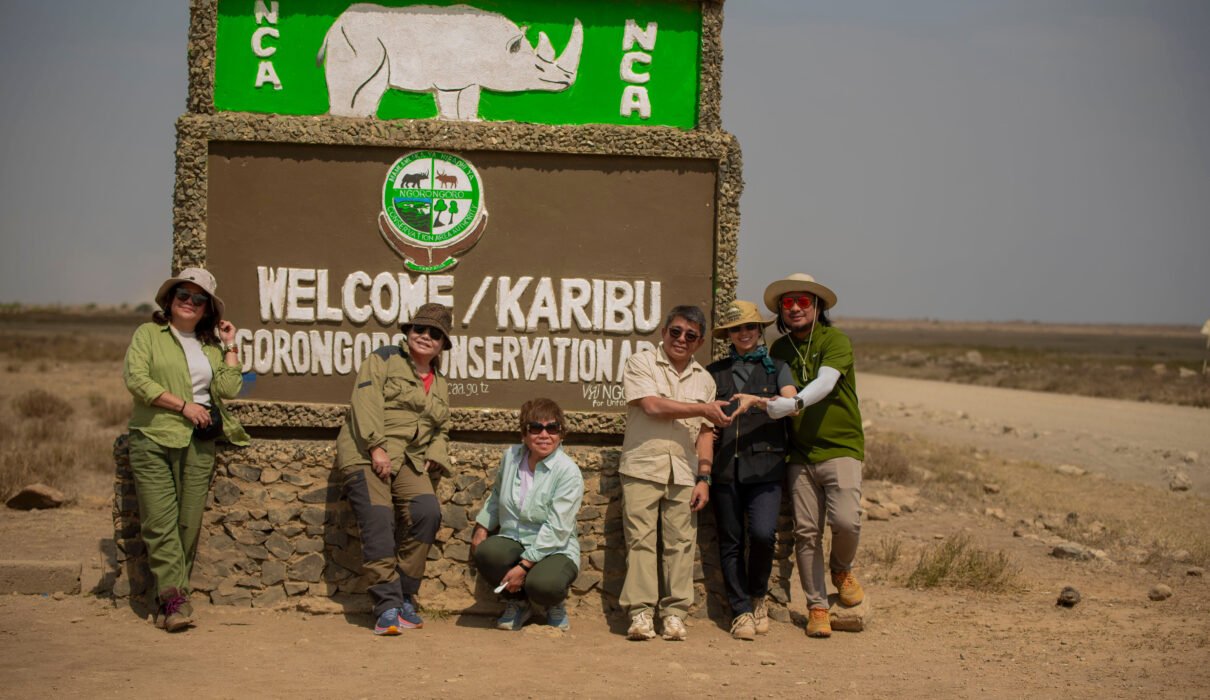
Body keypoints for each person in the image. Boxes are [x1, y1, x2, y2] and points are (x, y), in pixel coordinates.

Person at [123, 268, 249, 632]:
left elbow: (228, 389)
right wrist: (184, 406)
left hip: (199, 443)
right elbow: (137, 379)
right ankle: (176, 600)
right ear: (170, 299)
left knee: (187, 524)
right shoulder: (149, 335)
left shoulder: (210, 346)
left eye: (199, 299)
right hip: (154, 437)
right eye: (184, 295)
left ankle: (168, 600)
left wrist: (230, 346)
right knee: (160, 522)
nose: (190, 303)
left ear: (208, 308)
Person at [335, 302, 452, 635]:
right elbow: (365, 403)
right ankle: (385, 606)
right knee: (379, 517)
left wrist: (437, 451)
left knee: (427, 512)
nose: (425, 336)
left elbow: (443, 428)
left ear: (443, 343)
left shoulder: (440, 382)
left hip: (410, 460)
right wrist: (376, 446)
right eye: (420, 329)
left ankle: (403, 594)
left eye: (435, 333)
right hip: (365, 452)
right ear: (408, 332)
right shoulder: (383, 359)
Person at [762, 273, 866, 638]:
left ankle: (841, 567)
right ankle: (817, 606)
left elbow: (825, 381)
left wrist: (795, 402)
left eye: (802, 302)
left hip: (840, 447)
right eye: (787, 303)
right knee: (806, 532)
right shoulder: (779, 350)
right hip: (800, 454)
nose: (794, 308)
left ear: (817, 307)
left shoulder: (835, 340)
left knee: (847, 520)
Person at [619, 305, 731, 641]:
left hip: (684, 472)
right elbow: (652, 405)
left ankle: (674, 615)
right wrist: (702, 408)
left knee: (681, 544)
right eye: (676, 331)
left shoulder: (705, 381)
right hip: (643, 465)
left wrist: (705, 477)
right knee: (639, 541)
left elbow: (706, 433)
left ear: (699, 342)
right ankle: (640, 613)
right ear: (663, 332)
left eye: (690, 335)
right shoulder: (642, 363)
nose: (681, 339)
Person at [705, 300, 798, 640]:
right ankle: (741, 611)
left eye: (749, 327)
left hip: (767, 467)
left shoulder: (778, 368)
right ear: (728, 334)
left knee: (761, 535)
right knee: (730, 541)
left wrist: (757, 401)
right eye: (736, 328)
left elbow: (792, 407)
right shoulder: (714, 372)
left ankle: (758, 595)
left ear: (760, 331)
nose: (743, 333)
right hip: (725, 469)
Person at [471, 398, 584, 632]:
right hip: (515, 539)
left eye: (552, 428)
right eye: (536, 428)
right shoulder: (511, 457)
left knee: (544, 584)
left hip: (555, 548)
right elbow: (496, 495)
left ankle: (553, 604)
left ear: (561, 434)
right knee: (487, 552)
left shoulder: (567, 472)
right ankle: (518, 603)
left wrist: (523, 567)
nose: (544, 435)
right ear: (524, 433)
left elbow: (557, 528)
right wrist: (482, 528)